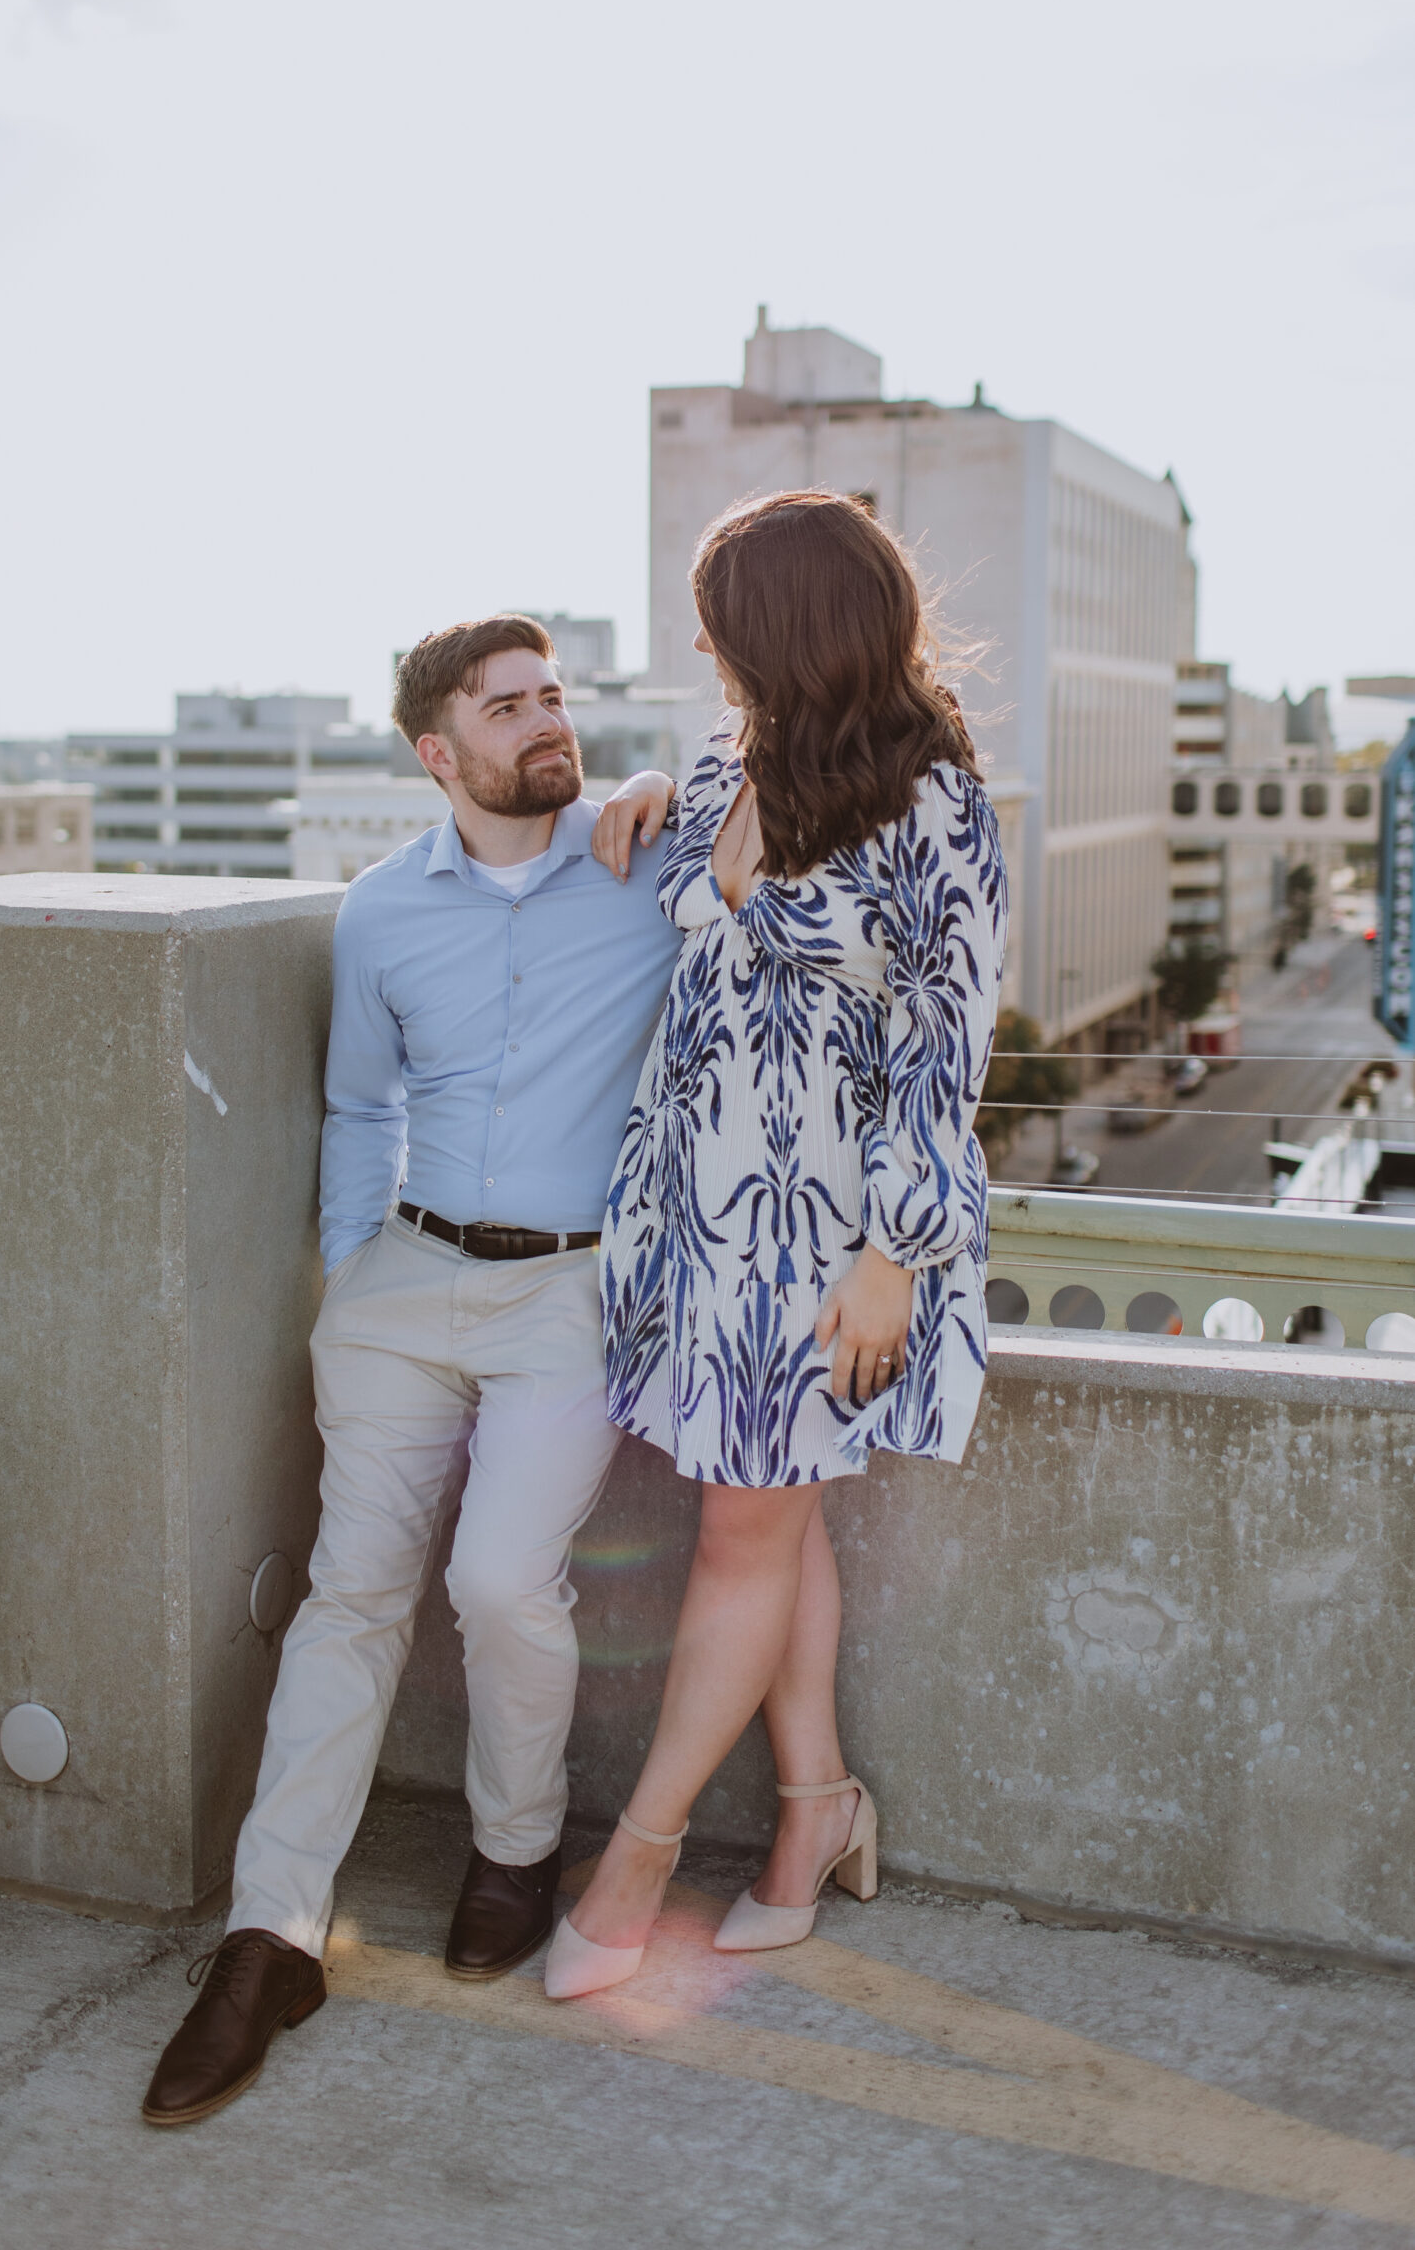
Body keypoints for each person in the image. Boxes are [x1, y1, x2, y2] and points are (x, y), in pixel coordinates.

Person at [142, 615, 681, 2125]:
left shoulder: (643, 859)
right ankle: (270, 1937)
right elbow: (357, 1106)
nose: (544, 721)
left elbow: (783, 811)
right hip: (400, 1284)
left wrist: (660, 779)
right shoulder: (380, 911)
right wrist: (345, 1278)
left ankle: (516, 1850)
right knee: (352, 1594)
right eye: (507, 706)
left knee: (503, 1581)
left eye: (555, 695)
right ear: (436, 754)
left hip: (569, 1296)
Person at [546, 490, 1006, 1999]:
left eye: (721, 617)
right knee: (770, 1513)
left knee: (743, 1528)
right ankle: (815, 1815)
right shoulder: (718, 760)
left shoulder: (936, 800)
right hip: (696, 1221)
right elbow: (702, 895)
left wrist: (897, 1252)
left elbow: (949, 1045)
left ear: (790, 630)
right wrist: (631, 788)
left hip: (828, 1245)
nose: (697, 643)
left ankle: (640, 1857)